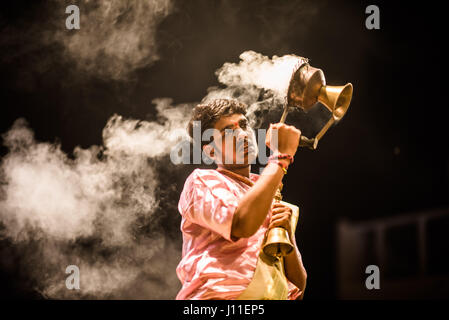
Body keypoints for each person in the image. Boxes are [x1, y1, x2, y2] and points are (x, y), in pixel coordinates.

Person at [175, 99, 307, 300]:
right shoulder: (202, 181)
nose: (242, 134)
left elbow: (298, 288)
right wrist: (280, 158)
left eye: (243, 125)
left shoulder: (266, 191)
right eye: (228, 132)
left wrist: (286, 233)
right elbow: (241, 224)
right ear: (210, 151)